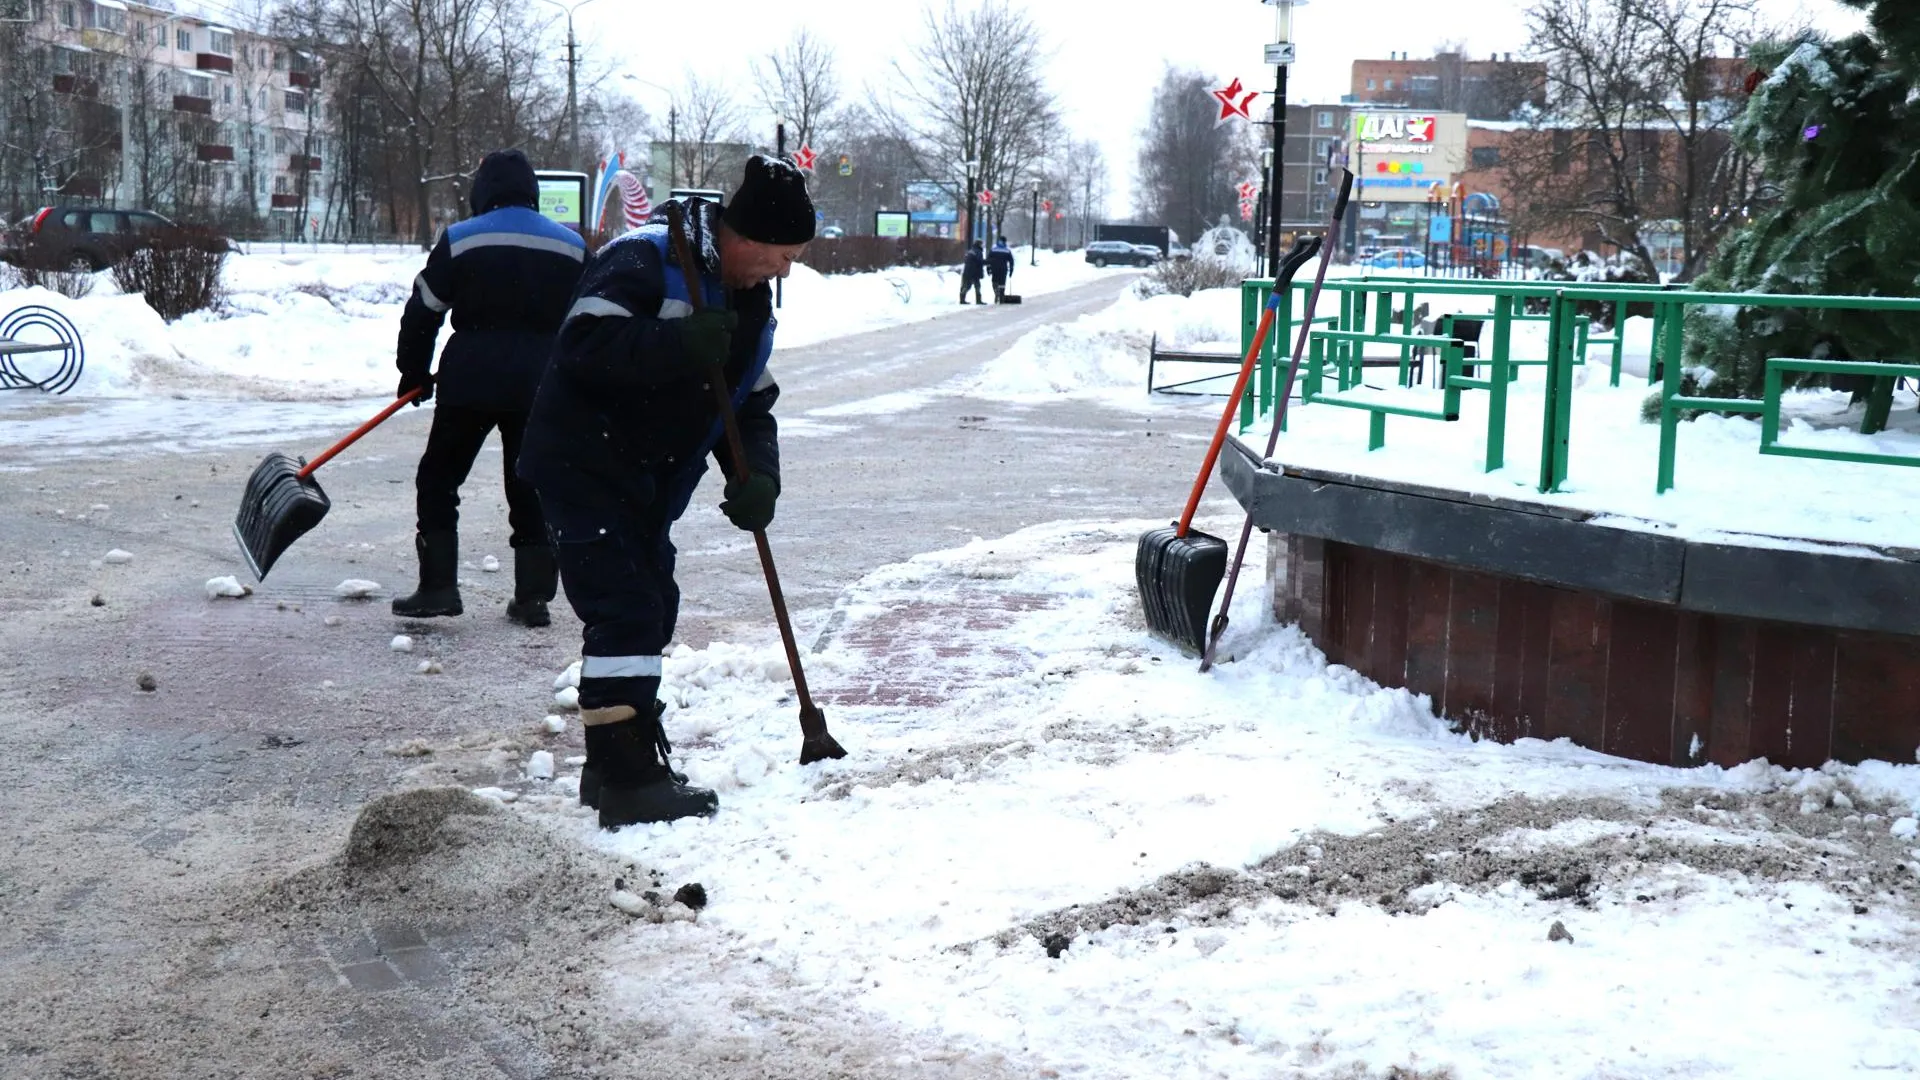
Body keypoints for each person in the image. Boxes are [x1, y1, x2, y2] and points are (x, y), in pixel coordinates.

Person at [517, 155, 813, 829]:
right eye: (782, 255)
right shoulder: (646, 258)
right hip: (585, 464)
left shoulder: (748, 302)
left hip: (646, 483)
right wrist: (677, 344)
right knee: (626, 609)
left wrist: (757, 475)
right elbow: (583, 344)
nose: (784, 271)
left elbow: (750, 402)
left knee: (651, 604)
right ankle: (628, 780)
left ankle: (612, 761)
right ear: (748, 236)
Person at [390, 149, 587, 627]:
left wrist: (414, 372)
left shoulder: (461, 238)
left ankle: (438, 587)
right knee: (530, 484)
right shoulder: (571, 246)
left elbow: (424, 309)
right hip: (540, 384)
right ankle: (533, 598)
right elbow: (591, 320)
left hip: (469, 380)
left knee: (440, 479)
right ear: (533, 192)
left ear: (483, 192)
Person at [987, 234, 1015, 303]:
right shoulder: (1007, 250)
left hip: (994, 269)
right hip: (1003, 269)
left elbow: (989, 259)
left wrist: (988, 268)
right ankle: (1001, 297)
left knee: (994, 282)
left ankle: (996, 293)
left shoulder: (993, 249)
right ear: (1005, 241)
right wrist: (1011, 270)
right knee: (1002, 283)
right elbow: (1011, 261)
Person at [959, 239, 985, 304]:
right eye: (982, 244)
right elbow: (980, 262)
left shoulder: (970, 251)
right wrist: (988, 262)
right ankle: (978, 300)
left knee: (966, 286)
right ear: (979, 244)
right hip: (974, 272)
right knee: (977, 286)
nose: (982, 245)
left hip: (967, 271)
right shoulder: (978, 252)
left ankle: (962, 299)